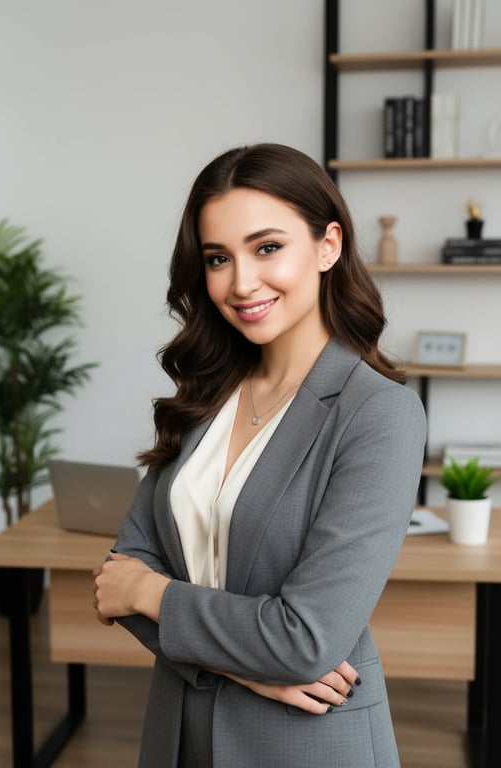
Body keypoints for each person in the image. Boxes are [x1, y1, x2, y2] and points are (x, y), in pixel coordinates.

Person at [92, 143, 426, 767]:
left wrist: (154, 594)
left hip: (303, 744)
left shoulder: (378, 414)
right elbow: (117, 580)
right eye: (219, 258)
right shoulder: (204, 393)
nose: (241, 282)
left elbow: (306, 640)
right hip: (176, 736)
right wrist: (249, 668)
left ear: (328, 245)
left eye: (267, 247)